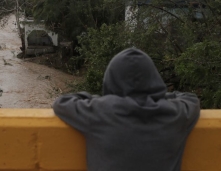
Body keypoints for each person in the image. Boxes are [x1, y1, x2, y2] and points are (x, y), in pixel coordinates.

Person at [53, 48, 200, 171]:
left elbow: (62, 102)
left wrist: (102, 99)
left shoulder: (101, 111)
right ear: (154, 80)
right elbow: (190, 98)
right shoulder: (177, 114)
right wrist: (157, 97)